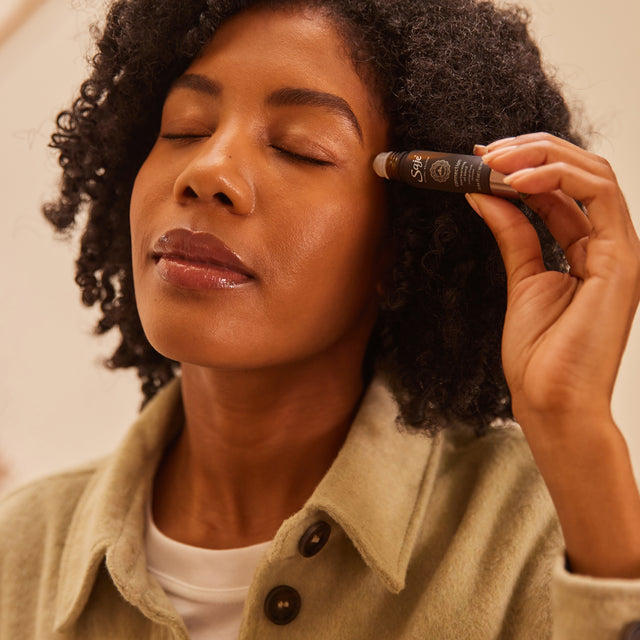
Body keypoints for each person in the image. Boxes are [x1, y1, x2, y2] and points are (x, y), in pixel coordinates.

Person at [0, 0, 639, 637]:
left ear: (401, 243)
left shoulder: (545, 534)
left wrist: (572, 424)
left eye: (302, 149)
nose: (207, 171)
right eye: (185, 128)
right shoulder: (18, 552)